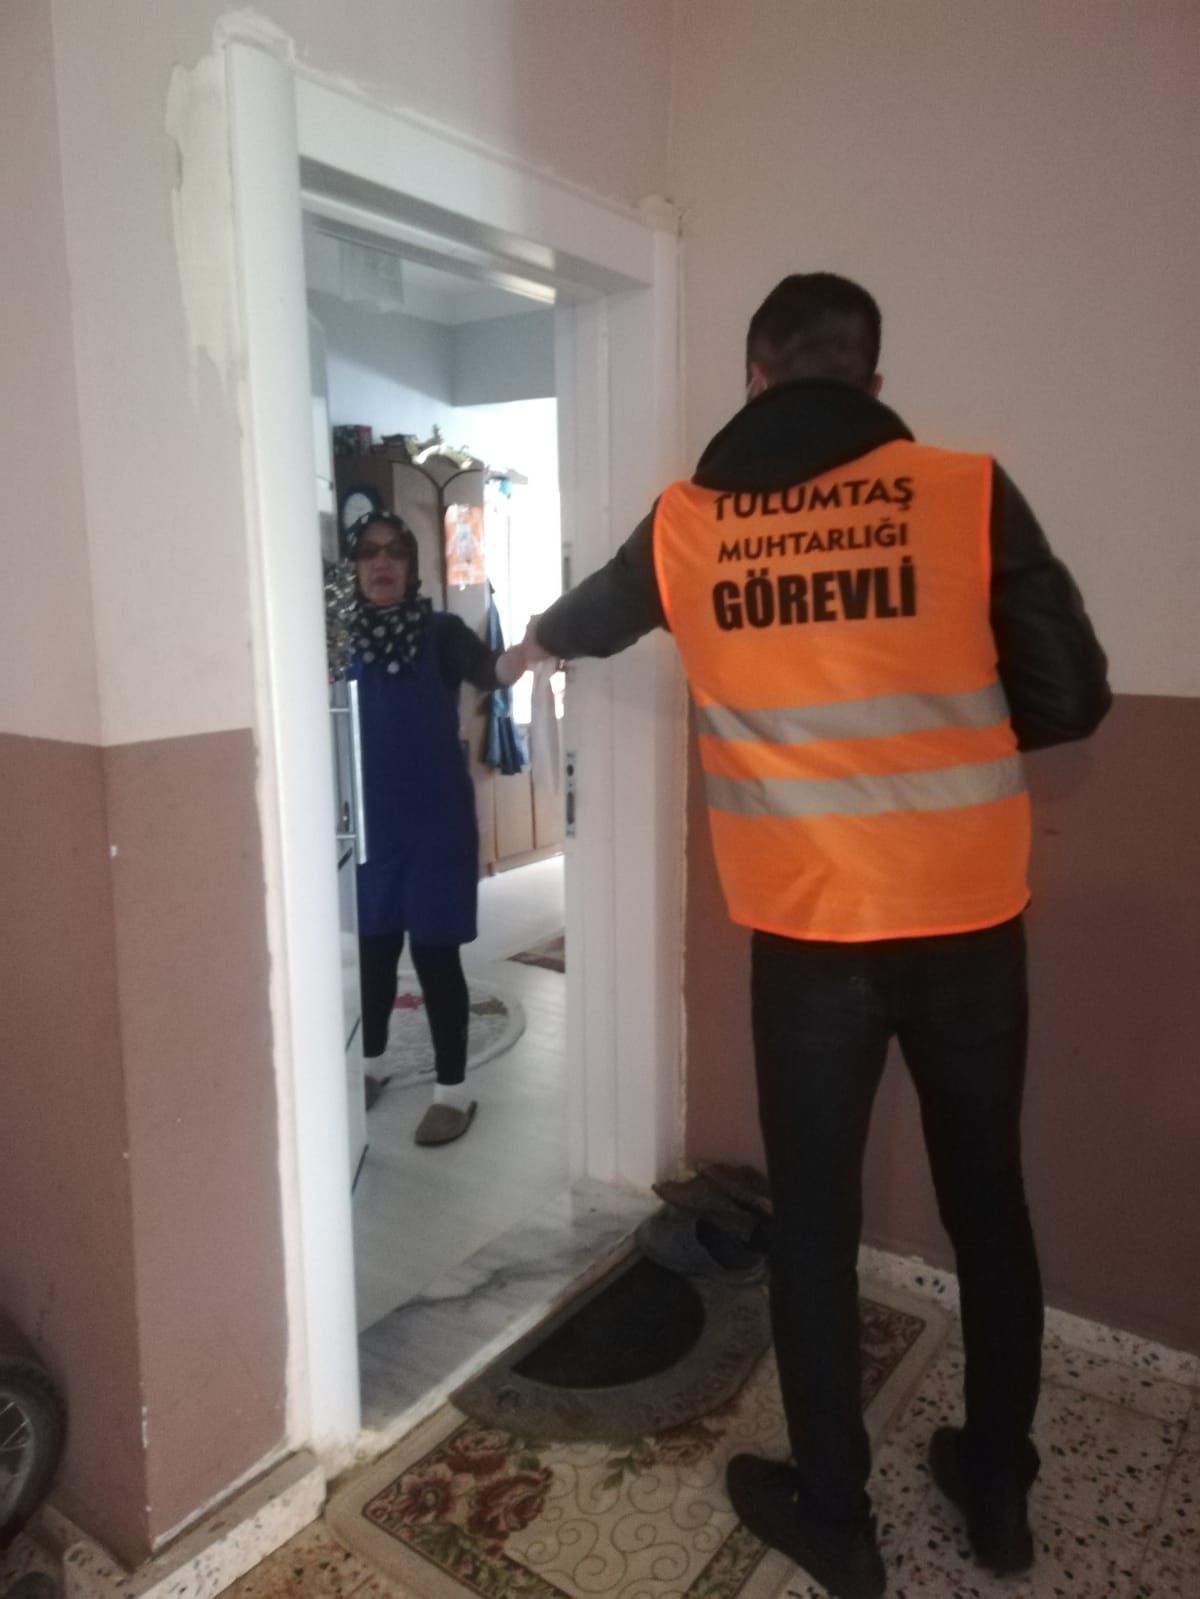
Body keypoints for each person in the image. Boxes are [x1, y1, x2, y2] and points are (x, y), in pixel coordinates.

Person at [523, 273, 1110, 1599]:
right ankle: (998, 1490)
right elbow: (1071, 697)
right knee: (988, 1204)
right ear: (873, 384)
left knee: (815, 1226)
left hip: (811, 937)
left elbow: (593, 616)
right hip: (969, 927)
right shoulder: (964, 491)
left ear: (755, 378)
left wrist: (523, 649)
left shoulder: (690, 525)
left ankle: (837, 1516)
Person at [343, 510, 530, 1147]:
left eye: (395, 551)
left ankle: (452, 1091)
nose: (382, 562)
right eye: (369, 552)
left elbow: (491, 671)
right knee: (373, 954)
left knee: (434, 956)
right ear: (356, 566)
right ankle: (371, 1066)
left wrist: (526, 652)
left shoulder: (440, 631)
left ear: (412, 565)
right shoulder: (340, 639)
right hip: (370, 827)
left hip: (435, 824)